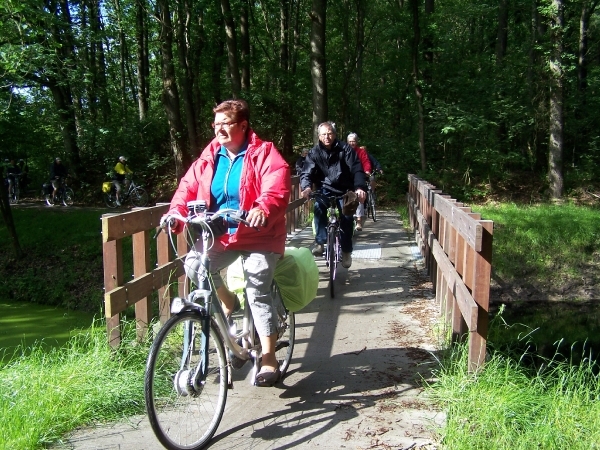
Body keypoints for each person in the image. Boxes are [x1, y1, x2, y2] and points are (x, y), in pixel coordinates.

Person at [162, 99, 291, 387]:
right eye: (215, 123)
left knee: (257, 286)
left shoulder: (264, 153)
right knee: (194, 266)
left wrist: (263, 208)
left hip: (260, 233)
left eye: (225, 123)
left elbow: (277, 185)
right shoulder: (210, 157)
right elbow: (187, 187)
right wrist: (175, 214)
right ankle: (227, 300)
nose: (218, 129)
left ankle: (268, 356)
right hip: (221, 234)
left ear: (243, 126)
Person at [300, 122, 367, 269]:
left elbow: (356, 169)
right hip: (324, 188)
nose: (327, 137)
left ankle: (346, 251)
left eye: (329, 133)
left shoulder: (346, 149)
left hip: (345, 190)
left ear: (335, 134)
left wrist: (360, 187)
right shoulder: (314, 152)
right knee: (318, 208)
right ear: (319, 136)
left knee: (348, 217)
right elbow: (306, 172)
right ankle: (320, 242)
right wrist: (306, 187)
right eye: (323, 134)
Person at [346, 133, 371, 231]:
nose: (352, 143)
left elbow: (366, 162)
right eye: (350, 141)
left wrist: (367, 170)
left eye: (354, 141)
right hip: (347, 178)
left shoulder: (361, 152)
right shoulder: (343, 151)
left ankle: (359, 221)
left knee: (359, 195)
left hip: (358, 176)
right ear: (347, 142)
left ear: (356, 142)